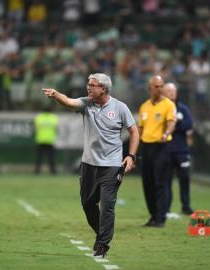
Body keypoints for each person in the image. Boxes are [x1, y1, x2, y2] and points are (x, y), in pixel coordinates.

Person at [42, 73, 139, 258]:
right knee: (87, 203)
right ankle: (100, 234)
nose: (88, 87)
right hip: (88, 164)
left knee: (107, 205)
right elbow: (69, 102)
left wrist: (131, 156)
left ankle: (103, 243)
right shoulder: (86, 103)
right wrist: (56, 95)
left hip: (112, 166)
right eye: (88, 84)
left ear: (103, 88)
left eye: (92, 85)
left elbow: (134, 132)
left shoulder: (120, 107)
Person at [138, 75, 176, 228]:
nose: (159, 89)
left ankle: (161, 218)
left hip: (161, 147)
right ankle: (153, 216)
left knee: (160, 183)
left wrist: (166, 134)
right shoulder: (144, 107)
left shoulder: (168, 105)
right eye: (156, 86)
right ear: (150, 88)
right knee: (147, 183)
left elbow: (171, 123)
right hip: (146, 147)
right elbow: (140, 128)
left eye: (161, 86)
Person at [162, 83, 194, 216]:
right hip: (166, 150)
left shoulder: (183, 109)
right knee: (166, 180)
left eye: (173, 90)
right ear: (164, 92)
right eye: (169, 90)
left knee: (185, 177)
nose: (171, 92)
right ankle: (166, 208)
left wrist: (175, 125)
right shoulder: (162, 108)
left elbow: (189, 125)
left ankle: (186, 206)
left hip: (181, 150)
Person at [34, 106, 59, 174]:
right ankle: (53, 171)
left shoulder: (39, 117)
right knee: (51, 157)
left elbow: (35, 128)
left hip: (41, 140)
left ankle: (37, 171)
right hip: (50, 140)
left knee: (39, 157)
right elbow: (56, 129)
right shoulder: (53, 118)